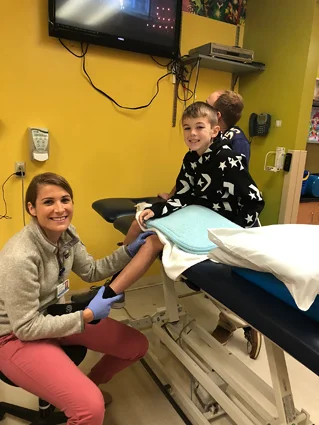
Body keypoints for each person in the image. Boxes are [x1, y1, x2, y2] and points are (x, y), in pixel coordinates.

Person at [0, 172, 150, 425]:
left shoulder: (67, 234)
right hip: (13, 335)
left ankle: (85, 389)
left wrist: (128, 251)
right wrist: (88, 316)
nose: (60, 209)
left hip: (49, 314)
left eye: (65, 200)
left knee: (136, 345)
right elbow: (26, 327)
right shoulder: (20, 257)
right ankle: (84, 402)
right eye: (48, 202)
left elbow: (91, 271)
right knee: (91, 410)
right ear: (32, 208)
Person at [158, 92, 261, 359]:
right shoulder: (192, 157)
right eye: (188, 128)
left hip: (235, 226)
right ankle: (231, 318)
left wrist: (235, 235)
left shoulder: (230, 152)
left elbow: (253, 200)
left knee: (231, 283)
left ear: (216, 124)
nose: (192, 133)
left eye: (199, 126)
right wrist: (158, 210)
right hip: (208, 221)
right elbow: (185, 193)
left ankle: (247, 323)